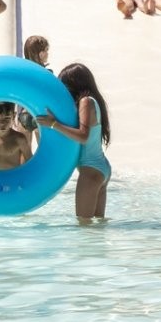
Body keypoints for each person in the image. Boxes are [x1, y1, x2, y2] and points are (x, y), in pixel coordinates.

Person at [36, 63, 112, 223]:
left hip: (90, 172)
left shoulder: (86, 102)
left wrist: (53, 124)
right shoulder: (92, 101)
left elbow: (83, 136)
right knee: (98, 229)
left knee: (84, 227)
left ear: (73, 84)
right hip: (101, 169)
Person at [0, 101, 36, 170]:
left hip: (13, 178)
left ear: (14, 116)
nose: (2, 123)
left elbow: (30, 161)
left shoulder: (19, 139)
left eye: (7, 118)